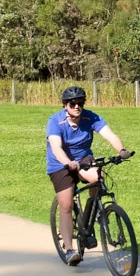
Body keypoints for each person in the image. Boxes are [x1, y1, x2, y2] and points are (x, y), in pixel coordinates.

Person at [46, 85, 130, 265]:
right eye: (72, 103)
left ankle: (94, 211)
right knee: (66, 205)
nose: (77, 106)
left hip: (83, 159)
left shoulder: (90, 117)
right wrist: (68, 163)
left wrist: (121, 150)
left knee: (98, 176)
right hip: (60, 164)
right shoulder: (55, 121)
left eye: (80, 103)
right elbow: (56, 147)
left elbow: (110, 135)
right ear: (65, 105)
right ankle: (69, 250)